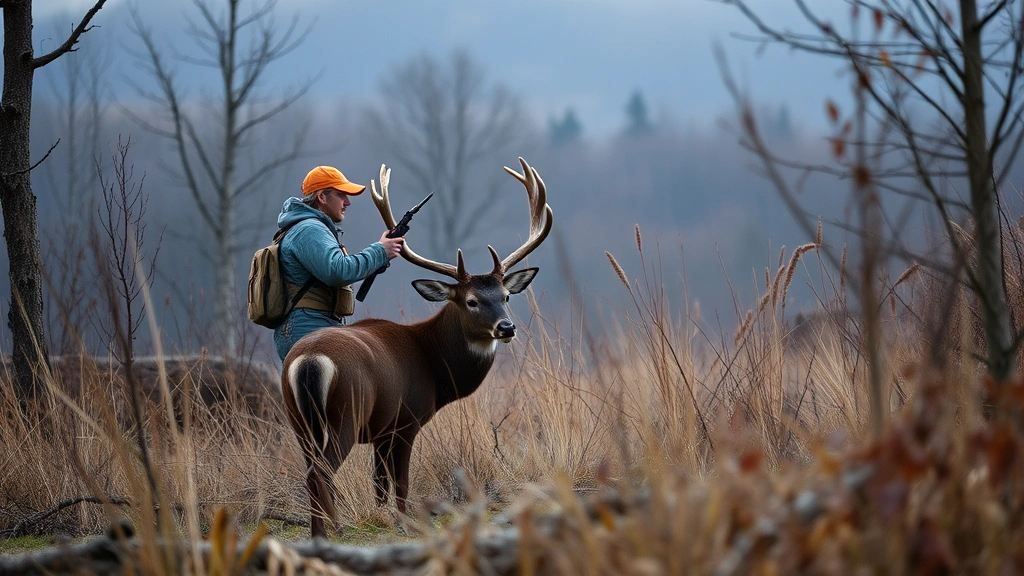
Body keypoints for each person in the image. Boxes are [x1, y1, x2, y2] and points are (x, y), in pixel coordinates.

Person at [273, 165, 404, 361]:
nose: (348, 202)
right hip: (309, 331)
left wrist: (381, 255)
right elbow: (337, 271)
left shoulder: (305, 227)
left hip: (312, 328)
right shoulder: (309, 229)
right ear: (322, 197)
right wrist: (380, 251)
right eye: (341, 194)